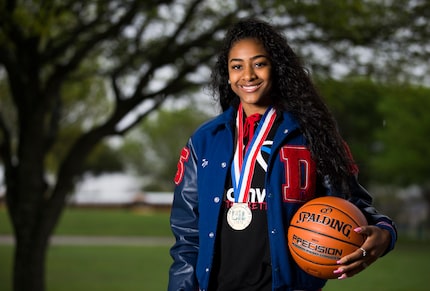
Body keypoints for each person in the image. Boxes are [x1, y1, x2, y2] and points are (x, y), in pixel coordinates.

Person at [168, 18, 397, 291]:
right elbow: (187, 234)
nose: (248, 75)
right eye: (237, 66)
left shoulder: (313, 133)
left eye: (259, 63)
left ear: (276, 68)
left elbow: (351, 203)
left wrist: (385, 233)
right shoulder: (205, 140)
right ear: (227, 75)